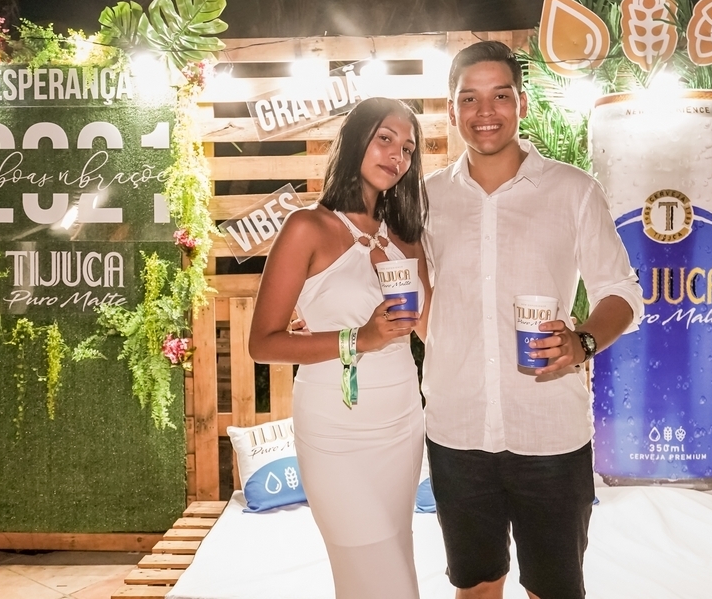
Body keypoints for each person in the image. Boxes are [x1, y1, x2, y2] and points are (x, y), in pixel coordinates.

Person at [421, 40, 644, 599]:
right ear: (452, 109)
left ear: (521, 103)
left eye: (500, 96)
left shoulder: (573, 190)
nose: (485, 111)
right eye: (469, 98)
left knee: (554, 589)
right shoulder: (427, 199)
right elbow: (403, 287)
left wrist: (583, 341)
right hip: (456, 431)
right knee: (475, 585)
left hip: (549, 433)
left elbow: (622, 291)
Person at [248, 97, 431, 599]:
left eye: (408, 148)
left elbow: (430, 329)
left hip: (402, 421)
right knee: (382, 578)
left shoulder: (407, 238)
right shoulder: (306, 227)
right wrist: (358, 338)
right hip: (335, 428)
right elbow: (262, 343)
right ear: (355, 141)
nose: (397, 156)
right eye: (385, 139)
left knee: (390, 559)